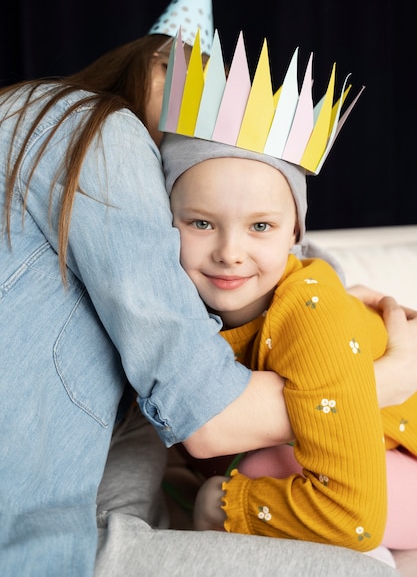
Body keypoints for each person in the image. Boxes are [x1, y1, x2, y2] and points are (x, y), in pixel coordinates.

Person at [0, 0, 413, 577]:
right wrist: (388, 375)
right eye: (197, 221)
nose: (199, 122)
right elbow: (211, 420)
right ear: (158, 62)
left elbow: (270, 247)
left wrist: (334, 305)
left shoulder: (47, 129)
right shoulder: (99, 133)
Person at [158, 28, 417, 557]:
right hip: (362, 450)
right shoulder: (171, 310)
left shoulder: (308, 309)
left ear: (295, 233)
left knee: (253, 469)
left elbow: (354, 518)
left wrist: (224, 501)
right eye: (202, 223)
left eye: (261, 227)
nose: (230, 252)